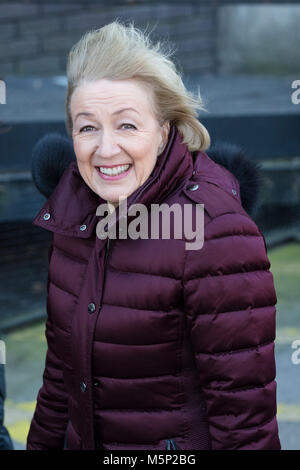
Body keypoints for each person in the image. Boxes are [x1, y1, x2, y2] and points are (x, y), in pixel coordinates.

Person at [27, 21, 281, 450]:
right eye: (88, 127)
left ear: (164, 132)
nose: (105, 149)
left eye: (126, 125)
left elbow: (244, 423)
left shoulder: (214, 231)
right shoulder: (72, 211)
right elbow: (59, 382)